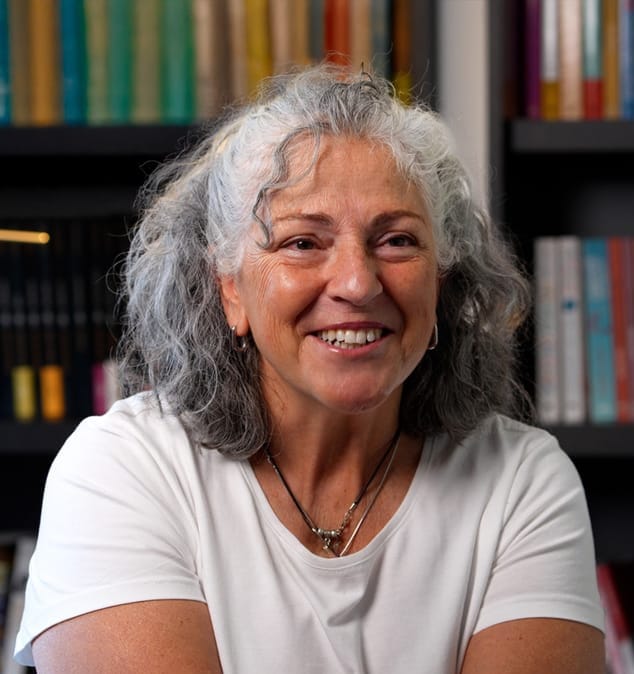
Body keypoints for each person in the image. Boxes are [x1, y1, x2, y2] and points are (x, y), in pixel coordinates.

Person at [15, 65, 604, 673]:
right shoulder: (123, 470)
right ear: (231, 290)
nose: (357, 283)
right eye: (302, 243)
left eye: (397, 240)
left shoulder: (523, 482)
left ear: (440, 282)